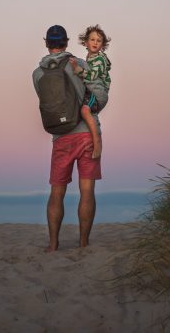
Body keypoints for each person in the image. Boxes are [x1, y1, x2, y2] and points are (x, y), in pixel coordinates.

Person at [32, 25, 108, 251]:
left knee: (57, 192)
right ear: (66, 43)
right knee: (87, 191)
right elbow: (100, 97)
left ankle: (53, 244)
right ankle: (83, 243)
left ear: (47, 43)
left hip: (60, 137)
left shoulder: (37, 74)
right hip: (86, 134)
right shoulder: (80, 64)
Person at [70, 25, 111, 160]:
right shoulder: (89, 57)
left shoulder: (99, 59)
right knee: (83, 108)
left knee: (85, 110)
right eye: (92, 40)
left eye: (98, 41)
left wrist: (77, 69)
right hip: (91, 91)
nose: (95, 43)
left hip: (99, 93)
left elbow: (92, 76)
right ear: (86, 42)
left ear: (103, 45)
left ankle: (97, 141)